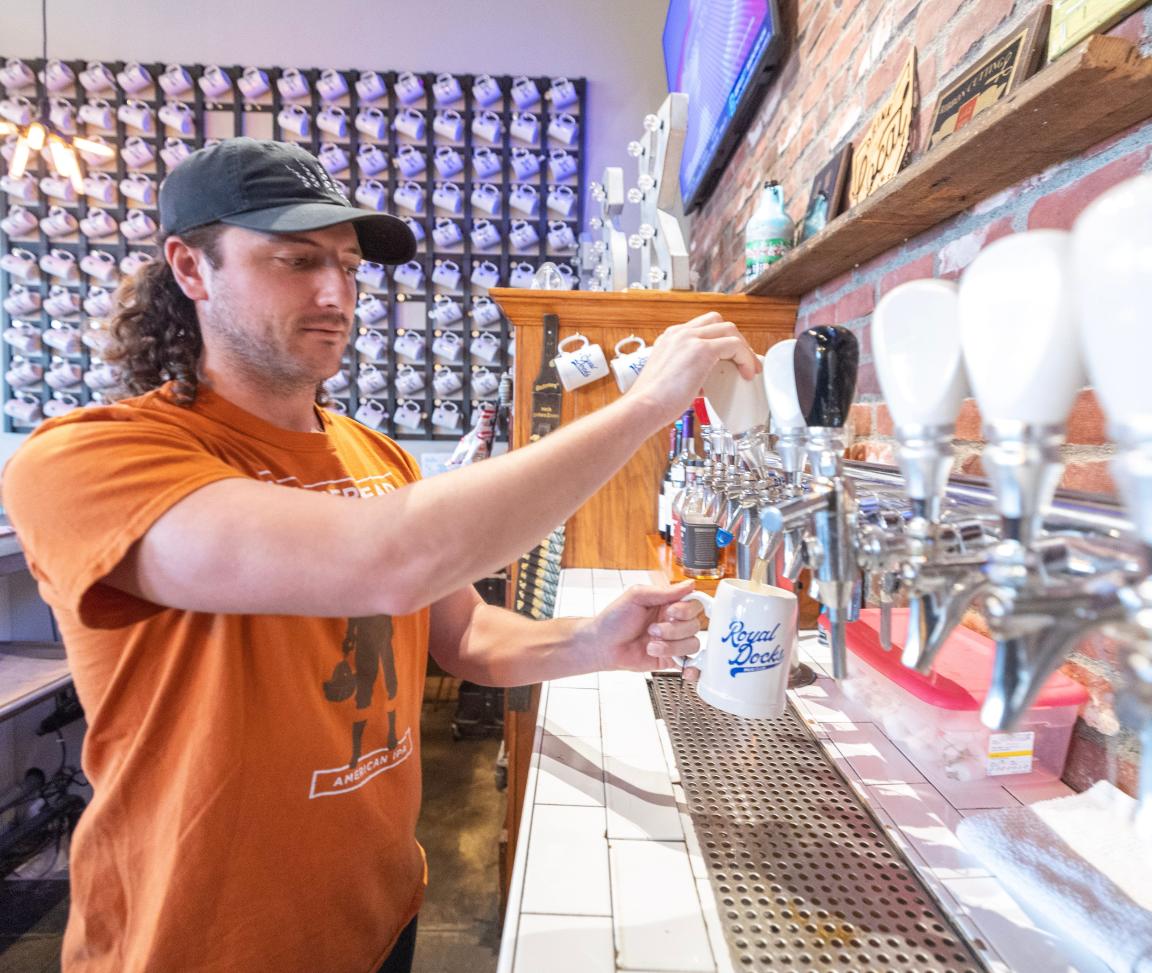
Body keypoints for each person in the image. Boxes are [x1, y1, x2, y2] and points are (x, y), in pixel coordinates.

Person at [1, 138, 760, 973]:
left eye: (351, 267)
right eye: (296, 260)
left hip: (378, 912)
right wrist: (648, 403)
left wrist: (591, 642)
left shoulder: (377, 457)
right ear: (190, 267)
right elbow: (384, 559)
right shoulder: (89, 460)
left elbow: (462, 637)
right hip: (199, 942)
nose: (336, 294)